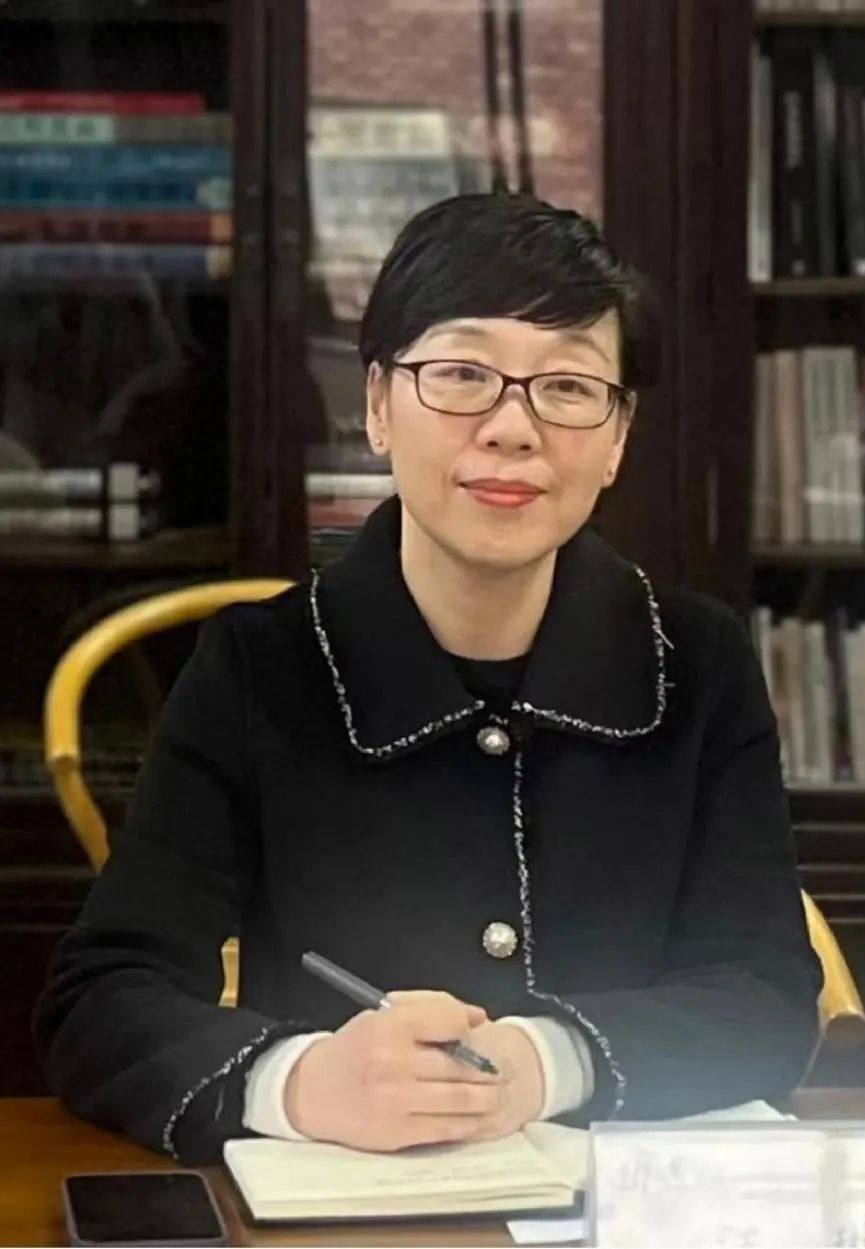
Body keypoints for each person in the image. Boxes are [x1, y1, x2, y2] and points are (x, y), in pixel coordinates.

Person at [36, 193, 821, 1166]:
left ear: (618, 435)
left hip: (618, 1207)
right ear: (376, 405)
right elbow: (103, 998)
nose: (512, 428)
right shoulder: (260, 664)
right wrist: (300, 1080)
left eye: (568, 386)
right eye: (461, 375)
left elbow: (764, 992)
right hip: (352, 1206)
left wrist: (546, 1062)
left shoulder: (694, 661)